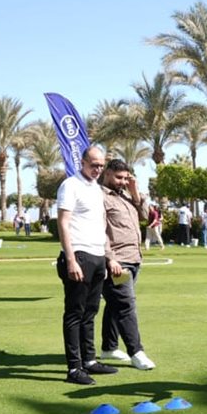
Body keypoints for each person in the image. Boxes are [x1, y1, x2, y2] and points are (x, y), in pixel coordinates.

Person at [56, 145, 120, 385]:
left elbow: (100, 223)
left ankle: (89, 361)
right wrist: (71, 259)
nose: (98, 170)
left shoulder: (96, 189)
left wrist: (106, 256)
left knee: (91, 312)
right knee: (75, 312)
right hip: (79, 254)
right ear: (82, 162)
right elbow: (63, 222)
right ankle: (74, 368)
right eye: (94, 165)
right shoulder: (70, 185)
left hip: (97, 255)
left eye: (101, 166)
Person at [99, 159, 155, 370]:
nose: (122, 181)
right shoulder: (99, 197)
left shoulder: (126, 196)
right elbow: (100, 230)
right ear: (107, 173)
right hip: (117, 260)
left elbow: (146, 217)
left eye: (125, 178)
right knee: (125, 305)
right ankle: (136, 352)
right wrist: (109, 257)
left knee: (114, 304)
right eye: (118, 177)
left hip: (133, 258)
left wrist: (135, 192)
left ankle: (109, 347)